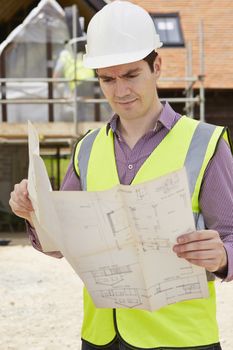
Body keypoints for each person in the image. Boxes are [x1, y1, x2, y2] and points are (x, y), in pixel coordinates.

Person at [9, 1, 233, 350]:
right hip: (100, 338)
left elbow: (231, 236)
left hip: (180, 339)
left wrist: (222, 257)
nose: (121, 91)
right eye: (107, 79)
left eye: (131, 75)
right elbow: (61, 244)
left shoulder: (206, 143)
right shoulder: (86, 148)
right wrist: (34, 216)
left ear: (156, 66)